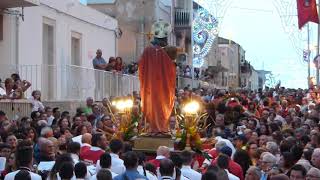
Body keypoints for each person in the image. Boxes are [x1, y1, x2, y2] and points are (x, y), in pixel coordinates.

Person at [139, 20, 176, 135]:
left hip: (150, 86)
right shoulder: (170, 50)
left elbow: (141, 69)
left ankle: (154, 128)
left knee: (153, 105)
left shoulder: (147, 50)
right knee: (162, 106)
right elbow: (173, 67)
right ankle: (161, 128)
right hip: (163, 86)